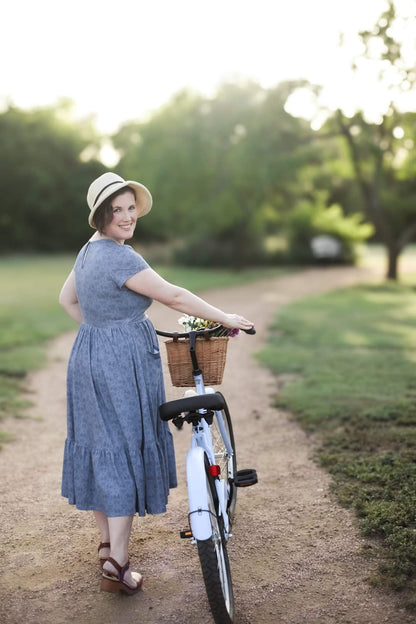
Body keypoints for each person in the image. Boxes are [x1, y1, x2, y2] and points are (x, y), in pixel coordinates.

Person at [59, 172, 254, 595]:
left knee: (99, 444)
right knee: (125, 445)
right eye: (118, 210)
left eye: (131, 208)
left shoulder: (87, 253)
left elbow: (67, 300)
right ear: (101, 216)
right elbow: (175, 297)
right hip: (122, 362)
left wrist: (102, 328)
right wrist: (225, 318)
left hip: (88, 354)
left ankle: (107, 544)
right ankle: (118, 562)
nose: (128, 217)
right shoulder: (120, 257)